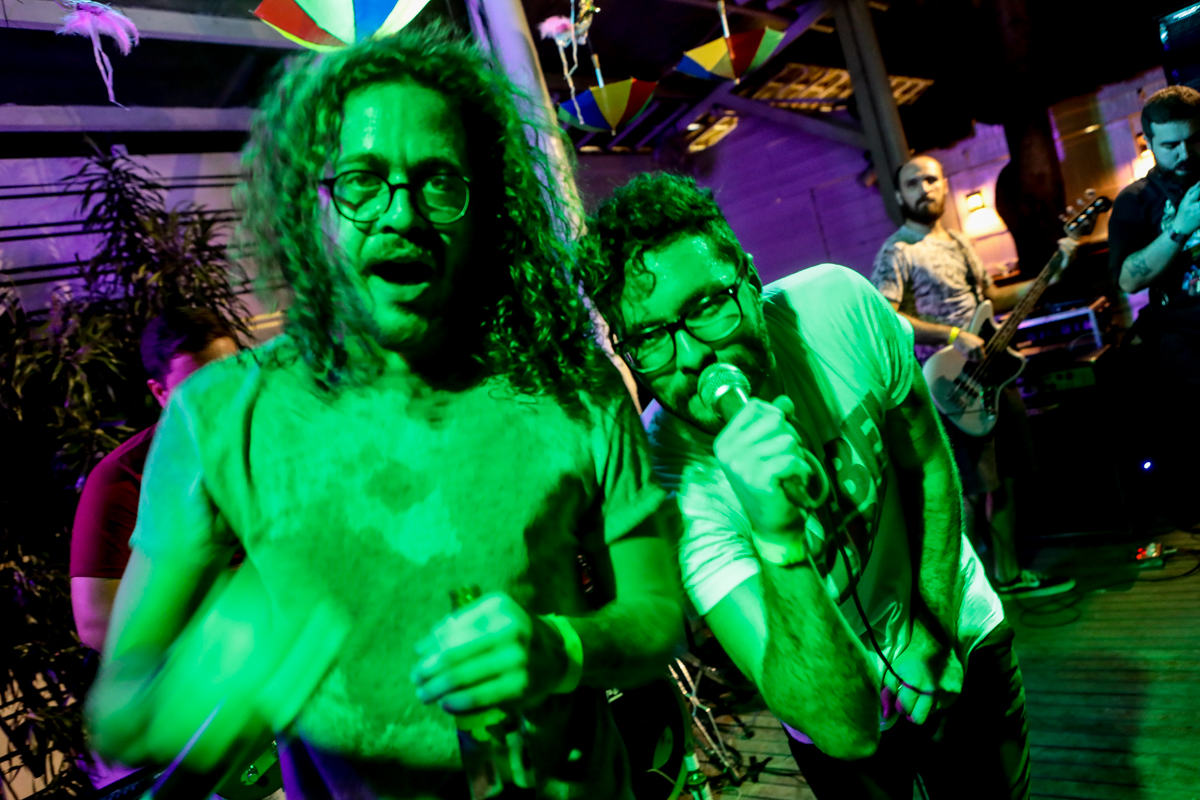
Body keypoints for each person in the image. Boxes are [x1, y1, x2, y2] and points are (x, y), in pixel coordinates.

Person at [86, 27, 682, 800]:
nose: (402, 215)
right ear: (313, 203)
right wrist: (176, 696)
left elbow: (658, 614)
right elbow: (119, 694)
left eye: (439, 181)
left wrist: (560, 648)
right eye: (363, 181)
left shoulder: (573, 385)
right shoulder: (219, 416)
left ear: (487, 208)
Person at [579, 171, 1028, 799]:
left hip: (955, 627)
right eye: (650, 337)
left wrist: (930, 628)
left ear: (750, 279)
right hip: (829, 697)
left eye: (706, 306)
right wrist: (778, 537)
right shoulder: (667, 476)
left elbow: (925, 460)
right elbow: (838, 727)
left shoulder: (837, 305)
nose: (692, 357)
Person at [871, 155, 1075, 599]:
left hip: (993, 376)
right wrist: (951, 335)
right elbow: (886, 317)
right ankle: (968, 588)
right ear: (899, 195)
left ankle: (1009, 573)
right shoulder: (898, 251)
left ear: (945, 185)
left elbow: (991, 299)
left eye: (931, 179)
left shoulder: (961, 243)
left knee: (1010, 476)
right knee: (971, 488)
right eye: (913, 183)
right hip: (948, 385)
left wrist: (1047, 276)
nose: (924, 188)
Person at [69, 307, 238, 790]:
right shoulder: (122, 480)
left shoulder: (263, 452)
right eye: (198, 388)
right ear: (160, 393)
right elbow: (96, 622)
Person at [1109, 85, 1200, 528]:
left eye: (1194, 140)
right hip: (1185, 347)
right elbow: (1128, 279)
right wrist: (1180, 228)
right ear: (1149, 142)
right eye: (1171, 145)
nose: (1185, 153)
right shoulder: (1135, 200)